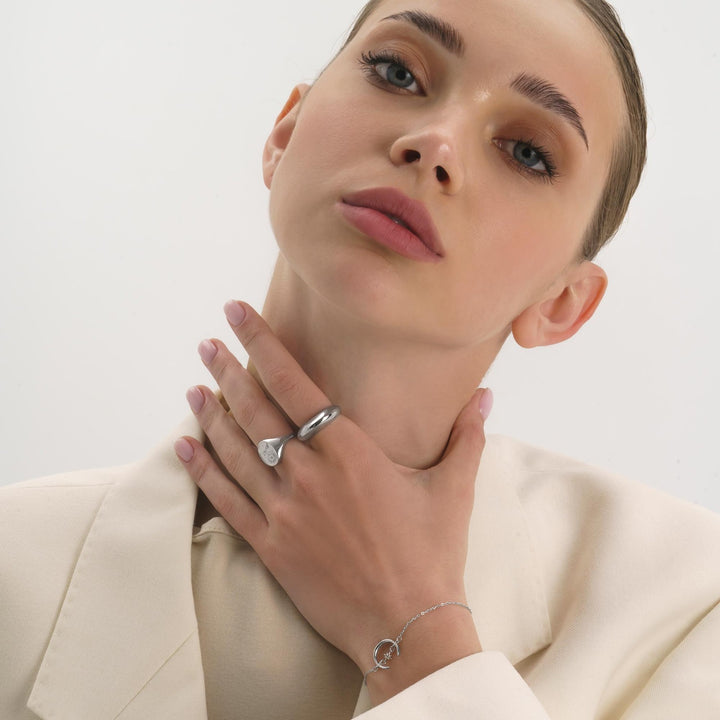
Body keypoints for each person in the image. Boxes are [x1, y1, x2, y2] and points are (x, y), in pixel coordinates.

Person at [1, 0, 719, 718]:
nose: (435, 142)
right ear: (285, 132)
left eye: (528, 152)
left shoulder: (689, 606)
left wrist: (415, 631)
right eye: (398, 72)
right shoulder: (15, 565)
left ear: (562, 302)